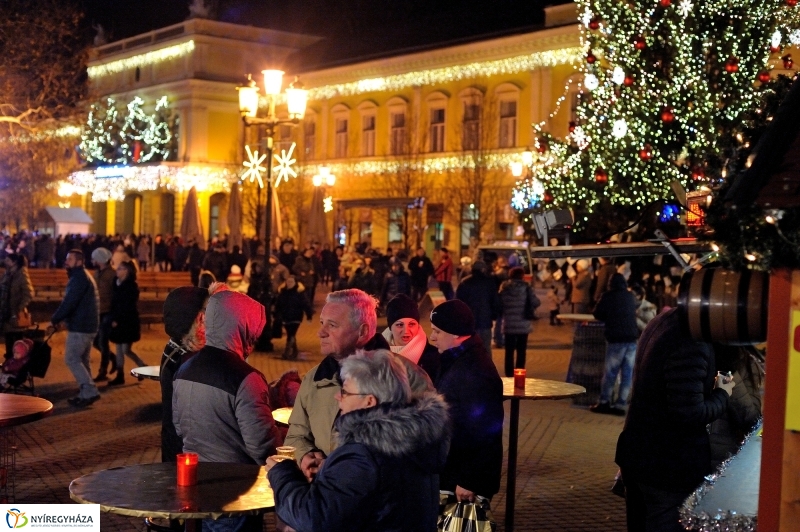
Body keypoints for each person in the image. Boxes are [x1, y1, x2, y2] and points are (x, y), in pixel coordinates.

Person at [267, 350, 450, 532]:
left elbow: (314, 518)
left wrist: (282, 473)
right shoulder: (417, 439)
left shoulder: (364, 454)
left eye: (345, 392)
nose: (337, 396)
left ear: (369, 401)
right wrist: (333, 471)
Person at [284, 289, 433, 483]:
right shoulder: (314, 379)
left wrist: (345, 470)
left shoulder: (408, 377)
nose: (321, 332)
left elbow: (423, 449)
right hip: (328, 499)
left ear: (362, 331)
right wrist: (306, 456)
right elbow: (296, 434)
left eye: (332, 325)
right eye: (322, 323)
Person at [615, 308, 734, 532]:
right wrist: (723, 393)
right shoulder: (691, 340)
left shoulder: (663, 321)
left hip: (639, 454)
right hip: (667, 464)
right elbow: (690, 413)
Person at [173, 289, 280, 532]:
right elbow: (261, 445)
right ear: (241, 326)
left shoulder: (186, 368)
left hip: (197, 483)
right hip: (236, 490)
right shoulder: (246, 378)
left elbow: (180, 426)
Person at [428, 299, 504, 503]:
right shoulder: (457, 360)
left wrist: (469, 480)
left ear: (455, 333)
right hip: (453, 470)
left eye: (437, 331)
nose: (432, 337)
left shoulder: (475, 371)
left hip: (464, 480)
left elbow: (486, 431)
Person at [160, 286, 209, 462]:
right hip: (186, 450)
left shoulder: (177, 344)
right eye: (205, 309)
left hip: (177, 443)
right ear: (192, 317)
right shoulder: (188, 356)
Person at [48, 249, 101, 407]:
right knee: (82, 360)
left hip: (81, 326)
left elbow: (69, 302)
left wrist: (55, 318)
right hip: (88, 324)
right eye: (67, 258)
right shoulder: (82, 276)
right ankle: (86, 393)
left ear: (79, 261)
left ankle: (90, 390)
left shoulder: (79, 278)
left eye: (70, 259)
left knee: (71, 359)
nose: (67, 262)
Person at [590, 273, 639, 415]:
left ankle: (604, 402)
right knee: (627, 374)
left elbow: (597, 313)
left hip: (616, 339)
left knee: (611, 373)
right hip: (632, 339)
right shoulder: (630, 296)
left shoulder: (608, 296)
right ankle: (621, 404)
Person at [708, 345, 764, 469]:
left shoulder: (743, 361)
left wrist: (728, 375)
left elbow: (752, 421)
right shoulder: (693, 353)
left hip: (722, 464)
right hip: (689, 461)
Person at [381, 294, 440, 378]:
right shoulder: (376, 353)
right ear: (390, 327)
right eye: (400, 325)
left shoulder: (433, 358)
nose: (406, 331)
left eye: (411, 324)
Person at [107, 261, 146, 386]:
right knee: (120, 348)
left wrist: (117, 319)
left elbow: (127, 306)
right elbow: (114, 302)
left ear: (127, 271)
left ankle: (142, 367)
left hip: (127, 321)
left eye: (120, 268)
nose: (117, 270)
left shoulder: (131, 286)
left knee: (125, 349)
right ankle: (120, 374)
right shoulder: (116, 283)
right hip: (117, 319)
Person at [499, 267, 540, 377]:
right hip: (523, 324)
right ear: (522, 276)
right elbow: (536, 302)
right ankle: (519, 374)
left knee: (509, 351)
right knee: (521, 351)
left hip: (509, 324)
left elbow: (500, 303)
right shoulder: (526, 287)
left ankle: (509, 375)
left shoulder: (504, 287)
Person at [455, 260, 500, 351]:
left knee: (469, 349)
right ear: (483, 269)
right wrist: (494, 315)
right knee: (485, 348)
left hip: (469, 322)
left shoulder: (465, 282)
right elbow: (495, 301)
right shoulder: (489, 282)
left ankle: (471, 365)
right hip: (485, 321)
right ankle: (486, 365)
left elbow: (458, 302)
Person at [90, 247, 117, 382]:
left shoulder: (111, 275)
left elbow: (116, 294)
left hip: (108, 312)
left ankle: (103, 371)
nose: (92, 260)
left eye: (94, 258)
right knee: (95, 341)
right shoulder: (96, 273)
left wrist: (115, 314)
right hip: (97, 311)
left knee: (102, 341)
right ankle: (113, 358)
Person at [0, 253, 33, 357]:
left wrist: (20, 309)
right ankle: (9, 365)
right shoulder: (8, 273)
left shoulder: (21, 274)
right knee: (9, 342)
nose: (6, 262)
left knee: (16, 343)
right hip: (6, 313)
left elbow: (29, 293)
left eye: (8, 260)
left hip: (15, 315)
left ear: (14, 262)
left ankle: (16, 367)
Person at [274, 276, 313, 360]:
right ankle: (294, 352)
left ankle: (287, 352)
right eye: (288, 281)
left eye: (291, 281)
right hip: (286, 317)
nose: (289, 283)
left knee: (291, 333)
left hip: (296, 317)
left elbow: (305, 304)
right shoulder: (283, 292)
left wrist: (309, 315)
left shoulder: (299, 293)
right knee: (290, 334)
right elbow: (278, 305)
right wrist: (277, 314)